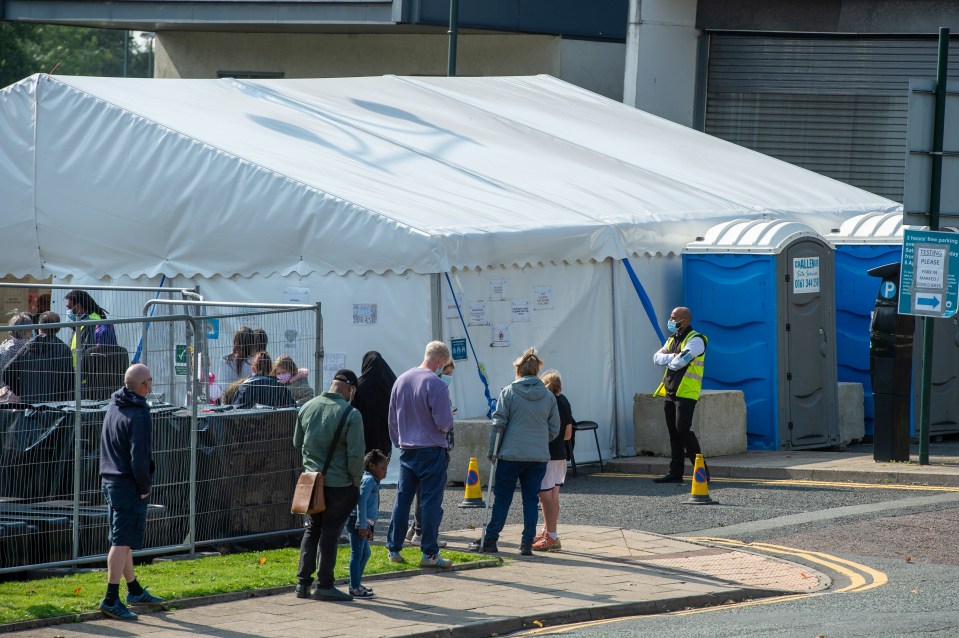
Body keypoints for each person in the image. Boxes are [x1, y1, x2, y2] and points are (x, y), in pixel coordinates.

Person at [470, 348, 559, 556]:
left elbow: (498, 424)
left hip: (510, 454)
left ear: (518, 370)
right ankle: (527, 542)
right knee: (530, 499)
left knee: (503, 498)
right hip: (537, 456)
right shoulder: (548, 396)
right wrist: (538, 441)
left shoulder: (508, 392)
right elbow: (554, 429)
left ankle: (491, 538)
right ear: (537, 371)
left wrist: (492, 451)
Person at [98, 363, 164, 620]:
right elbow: (139, 457)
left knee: (122, 541)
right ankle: (110, 599)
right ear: (145, 385)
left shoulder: (115, 403)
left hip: (110, 478)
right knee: (121, 541)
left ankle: (134, 590)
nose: (152, 384)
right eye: (151, 380)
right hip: (127, 484)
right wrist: (144, 487)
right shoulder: (140, 414)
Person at [294, 369, 366, 601]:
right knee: (331, 532)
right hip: (339, 484)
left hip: (311, 482)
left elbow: (297, 442)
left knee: (313, 528)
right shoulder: (351, 414)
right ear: (351, 389)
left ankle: (303, 584)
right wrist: (356, 481)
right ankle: (325, 584)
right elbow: (356, 455)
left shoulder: (307, 407)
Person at [385, 341, 454, 569]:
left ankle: (394, 549)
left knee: (402, 500)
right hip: (432, 449)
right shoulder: (436, 384)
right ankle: (430, 554)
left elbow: (392, 420)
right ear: (440, 361)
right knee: (430, 502)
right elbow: (444, 423)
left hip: (407, 449)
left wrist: (399, 442)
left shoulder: (401, 380)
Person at [652, 306, 709, 484]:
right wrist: (672, 356)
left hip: (686, 392)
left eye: (673, 317)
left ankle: (702, 471)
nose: (670, 320)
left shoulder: (697, 340)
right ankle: (675, 472)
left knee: (683, 430)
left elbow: (678, 363)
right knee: (673, 433)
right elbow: (655, 358)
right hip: (670, 390)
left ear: (684, 321)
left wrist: (670, 357)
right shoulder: (672, 339)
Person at [405, 359, 456, 547]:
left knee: (419, 493)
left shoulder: (423, 385)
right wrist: (448, 419)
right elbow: (442, 422)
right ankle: (422, 534)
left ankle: (414, 530)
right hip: (433, 446)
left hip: (421, 446)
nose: (449, 377)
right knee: (429, 495)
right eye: (447, 372)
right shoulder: (436, 388)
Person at [531, 370, 573, 552]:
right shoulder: (564, 401)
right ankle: (548, 530)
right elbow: (568, 433)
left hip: (547, 454)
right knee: (554, 496)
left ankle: (551, 536)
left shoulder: (547, 402)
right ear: (560, 387)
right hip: (561, 454)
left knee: (544, 496)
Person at [2, 311, 74, 403]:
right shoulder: (64, 349)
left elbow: (7, 372)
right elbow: (68, 380)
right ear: (58, 328)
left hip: (28, 403)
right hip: (55, 403)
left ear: (39, 325)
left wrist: (20, 391)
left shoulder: (26, 348)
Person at [347, 449, 389, 599]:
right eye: (382, 468)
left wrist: (367, 525)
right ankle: (354, 587)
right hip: (357, 522)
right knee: (357, 554)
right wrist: (362, 525)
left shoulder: (372, 479)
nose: (385, 472)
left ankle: (356, 583)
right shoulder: (369, 480)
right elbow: (361, 501)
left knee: (366, 553)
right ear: (372, 466)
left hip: (362, 522)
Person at [353, 351, 397, 456]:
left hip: (363, 436)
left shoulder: (359, 386)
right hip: (384, 436)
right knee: (380, 465)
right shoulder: (393, 385)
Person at [230, 351, 295, 409]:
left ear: (253, 369)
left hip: (250, 422)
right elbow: (292, 409)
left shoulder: (244, 386)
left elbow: (235, 410)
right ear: (270, 369)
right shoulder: (280, 387)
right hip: (275, 421)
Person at [64, 290, 117, 359]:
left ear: (78, 306)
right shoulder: (83, 321)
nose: (68, 310)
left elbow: (88, 348)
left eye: (69, 307)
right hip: (79, 366)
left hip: (85, 367)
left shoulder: (92, 322)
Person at [212, 326, 255, 402]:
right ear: (252, 343)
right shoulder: (253, 361)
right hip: (246, 402)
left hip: (227, 402)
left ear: (236, 340)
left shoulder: (224, 360)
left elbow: (221, 385)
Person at [0, 312, 34, 400]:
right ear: (26, 331)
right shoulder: (26, 347)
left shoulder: (4, 344)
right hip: (16, 393)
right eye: (30, 330)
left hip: (3, 390)